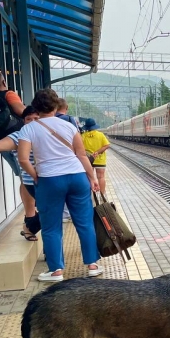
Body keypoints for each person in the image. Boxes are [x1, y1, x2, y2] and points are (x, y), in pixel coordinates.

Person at [18, 88, 103, 282]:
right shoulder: (70, 126)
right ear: (56, 106)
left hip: (49, 180)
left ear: (36, 108)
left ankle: (56, 271)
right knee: (84, 222)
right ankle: (92, 265)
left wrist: (35, 176)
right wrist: (93, 178)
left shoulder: (29, 128)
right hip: (77, 177)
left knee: (51, 226)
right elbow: (81, 155)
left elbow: (23, 159)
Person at [0, 107, 41, 241]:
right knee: (51, 212)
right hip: (31, 182)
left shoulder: (46, 133)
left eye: (36, 119)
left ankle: (30, 227)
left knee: (51, 211)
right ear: (24, 121)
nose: (33, 122)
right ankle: (31, 228)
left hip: (49, 179)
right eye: (29, 119)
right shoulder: (18, 136)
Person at [0, 72, 24, 178]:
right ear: (3, 82)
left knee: (21, 176)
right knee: (27, 175)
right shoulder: (9, 94)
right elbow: (21, 111)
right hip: (17, 138)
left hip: (1, 140)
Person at [81, 118, 111, 193]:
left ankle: (90, 193)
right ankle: (102, 195)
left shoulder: (83, 136)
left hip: (88, 160)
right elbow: (107, 145)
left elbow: (80, 147)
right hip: (100, 160)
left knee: (88, 177)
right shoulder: (100, 135)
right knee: (101, 177)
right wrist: (97, 152)